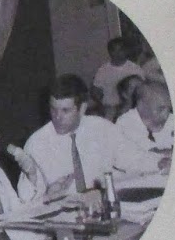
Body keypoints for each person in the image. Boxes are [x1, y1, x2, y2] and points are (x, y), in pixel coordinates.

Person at [23, 75, 151, 200]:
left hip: (102, 206)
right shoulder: (36, 144)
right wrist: (46, 194)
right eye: (53, 109)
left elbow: (134, 158)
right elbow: (27, 199)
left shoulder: (102, 128)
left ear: (82, 108)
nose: (57, 117)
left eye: (65, 110)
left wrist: (160, 163)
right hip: (61, 213)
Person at [115, 80, 174, 171]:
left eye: (169, 108)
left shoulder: (172, 119)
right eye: (160, 108)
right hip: (136, 178)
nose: (166, 114)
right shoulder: (126, 123)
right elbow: (146, 152)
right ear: (142, 106)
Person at [91, 37, 144, 118]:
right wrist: (101, 105)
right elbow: (95, 91)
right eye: (114, 50)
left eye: (120, 49)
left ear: (126, 51)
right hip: (109, 108)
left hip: (131, 108)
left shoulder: (135, 69)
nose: (117, 53)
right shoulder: (102, 70)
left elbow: (142, 89)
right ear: (109, 52)